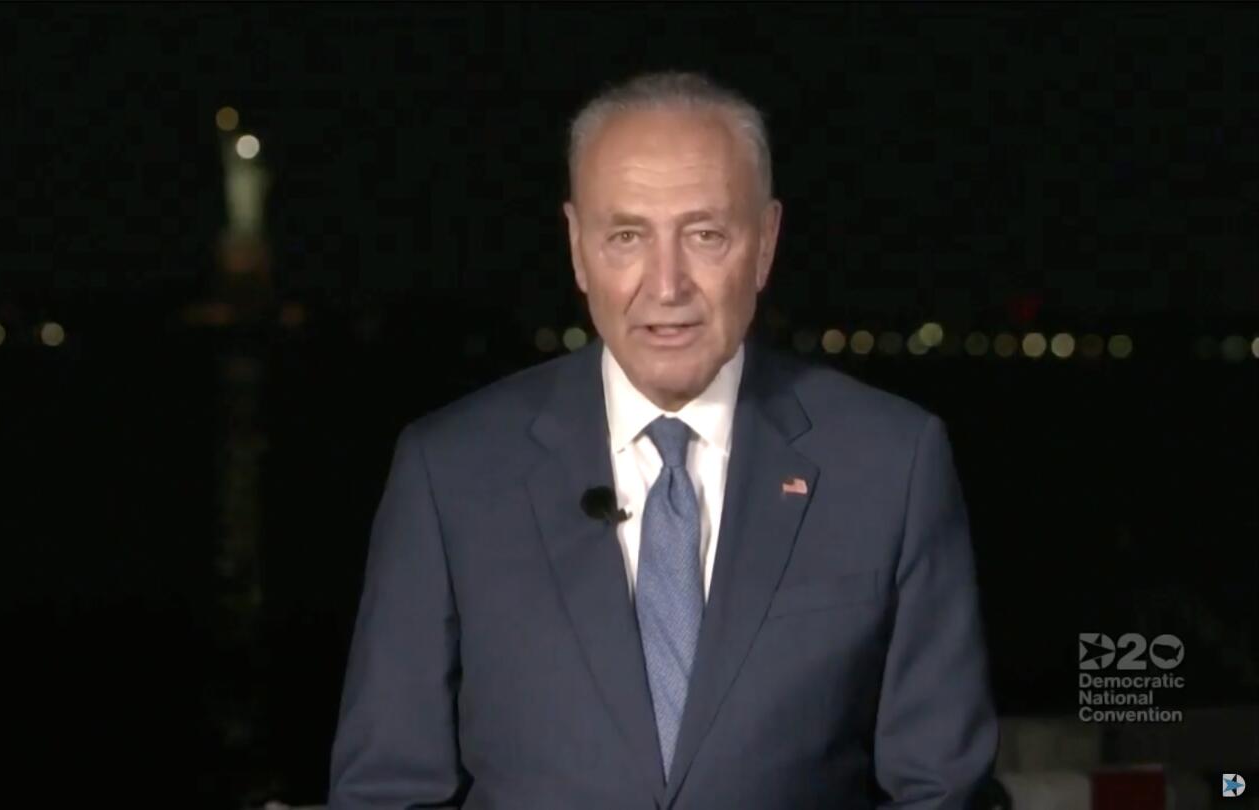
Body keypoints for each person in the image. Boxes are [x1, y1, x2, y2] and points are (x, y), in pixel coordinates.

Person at [329, 70, 998, 810]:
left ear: (766, 243)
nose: (668, 284)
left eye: (706, 235)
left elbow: (943, 793)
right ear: (579, 249)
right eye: (626, 237)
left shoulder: (892, 465)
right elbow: (387, 793)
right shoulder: (449, 474)